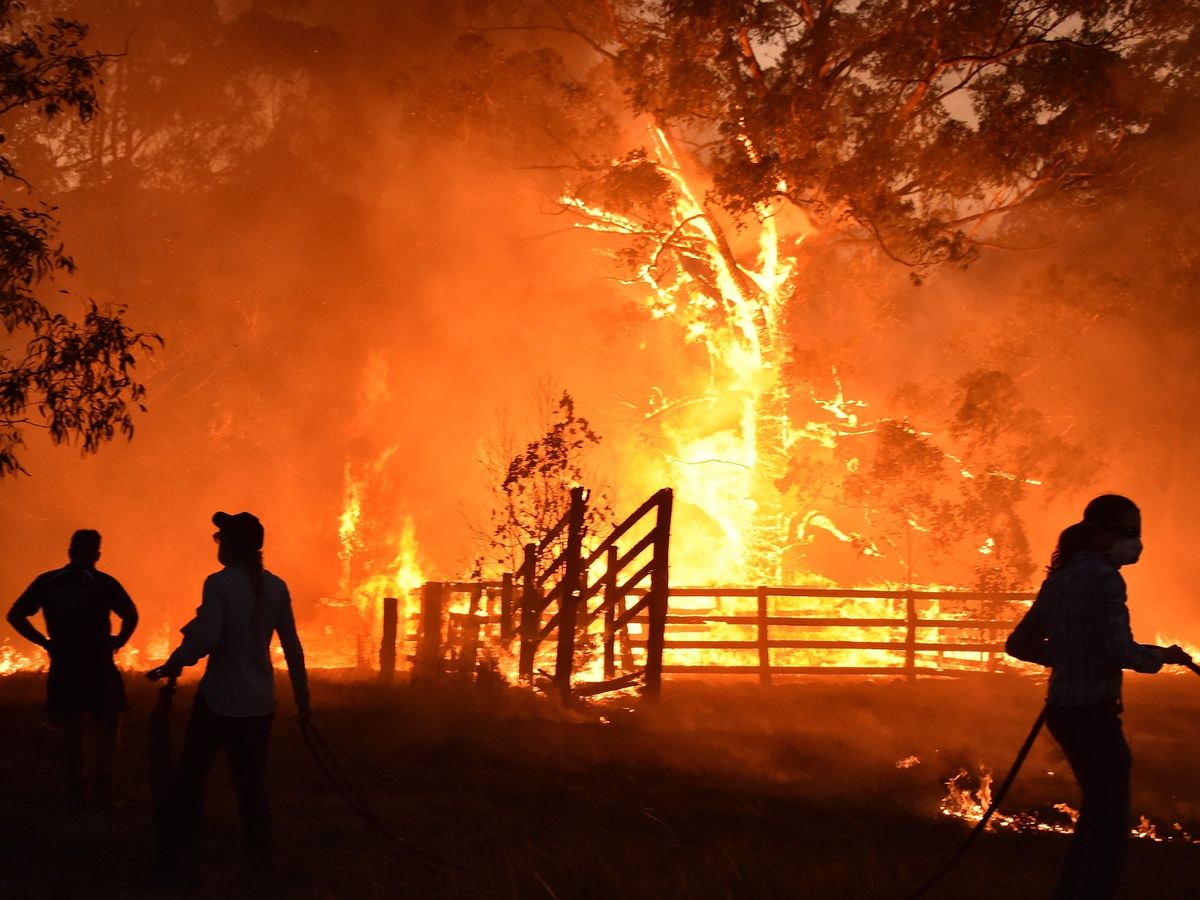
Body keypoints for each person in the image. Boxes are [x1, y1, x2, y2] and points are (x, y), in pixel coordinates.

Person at [1006, 494, 1192, 900]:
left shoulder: (1060, 578)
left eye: (1138, 533)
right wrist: (1161, 656)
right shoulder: (1107, 578)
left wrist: (1067, 654)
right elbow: (1120, 650)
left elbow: (1018, 644)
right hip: (1094, 714)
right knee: (1109, 827)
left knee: (1095, 816)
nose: (1136, 542)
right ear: (1101, 534)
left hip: (1063, 711)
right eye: (1128, 533)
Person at [147, 511, 310, 878]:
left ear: (233, 546)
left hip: (219, 701)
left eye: (221, 538)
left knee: (191, 777)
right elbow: (293, 648)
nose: (218, 544)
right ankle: (260, 860)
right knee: (251, 785)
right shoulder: (277, 587)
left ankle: (186, 854)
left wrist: (173, 664)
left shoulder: (218, 584)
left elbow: (206, 638)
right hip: (258, 705)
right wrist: (303, 701)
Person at [6, 529, 139, 810]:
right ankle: (103, 791)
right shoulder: (102, 582)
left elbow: (15, 614)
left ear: (69, 552)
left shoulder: (48, 581)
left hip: (64, 663)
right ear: (97, 555)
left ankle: (75, 793)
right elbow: (130, 613)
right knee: (109, 724)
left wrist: (43, 642)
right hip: (98, 663)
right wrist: (120, 641)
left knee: (72, 728)